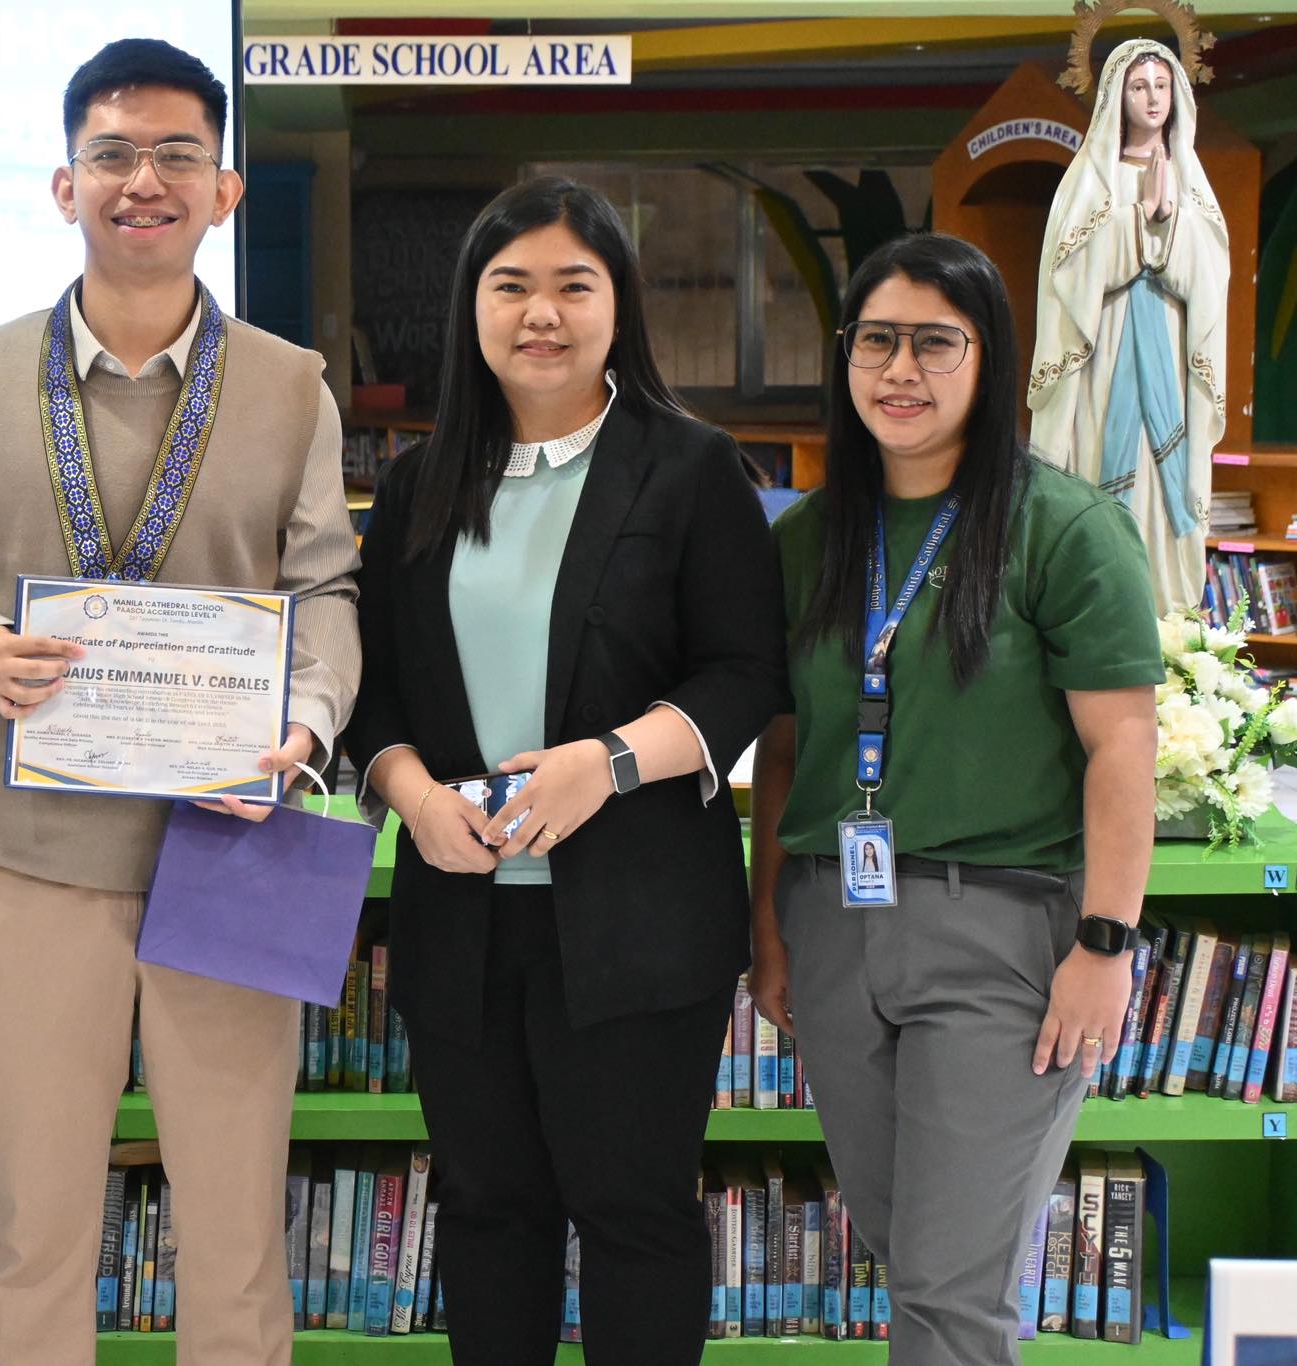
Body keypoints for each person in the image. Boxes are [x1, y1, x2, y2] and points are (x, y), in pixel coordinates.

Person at [0, 38, 359, 1366]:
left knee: (235, 1228)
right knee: (36, 1225)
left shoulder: (290, 383)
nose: (141, 180)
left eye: (174, 155)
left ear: (223, 191)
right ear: (65, 185)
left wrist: (305, 724)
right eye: (111, 154)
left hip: (231, 849)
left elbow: (324, 585)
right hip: (34, 860)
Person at [343, 175, 787, 1363]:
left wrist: (611, 761)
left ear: (616, 305)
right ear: (471, 308)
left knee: (634, 1214)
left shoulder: (689, 468)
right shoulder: (415, 483)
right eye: (510, 287)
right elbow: (374, 689)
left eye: (571, 286)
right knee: (487, 1211)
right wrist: (410, 795)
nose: (539, 313)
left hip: (637, 920)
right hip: (460, 913)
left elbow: (745, 671)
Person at [750, 231, 1162, 1366]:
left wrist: (1106, 943)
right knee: (911, 1255)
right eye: (876, 340)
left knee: (948, 1285)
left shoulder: (1062, 527)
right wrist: (769, 925)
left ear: (990, 361)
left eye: (936, 343)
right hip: (834, 924)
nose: (901, 370)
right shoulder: (807, 539)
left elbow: (1123, 746)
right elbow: (785, 744)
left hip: (1002, 930)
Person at [1030, 38, 1229, 614]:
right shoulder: (1090, 178)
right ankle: (1103, 598)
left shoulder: (1190, 179)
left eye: (1162, 86)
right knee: (1100, 452)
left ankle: (1169, 607)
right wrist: (1137, 219)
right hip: (1106, 348)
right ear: (1118, 95)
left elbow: (1212, 272)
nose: (1152, 98)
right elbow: (1070, 271)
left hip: (1169, 343)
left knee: (1165, 475)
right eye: (1139, 87)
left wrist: (1171, 222)